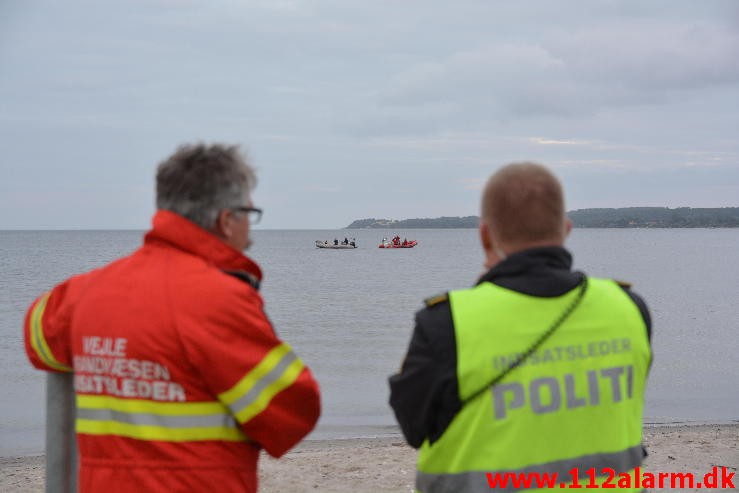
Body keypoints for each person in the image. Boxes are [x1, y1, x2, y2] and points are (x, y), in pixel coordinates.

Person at [23, 143, 321, 492]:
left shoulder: (81, 293)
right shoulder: (220, 302)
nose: (250, 231)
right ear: (226, 221)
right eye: (249, 214)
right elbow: (294, 413)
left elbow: (38, 340)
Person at [389, 162, 652, 492]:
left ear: (485, 236)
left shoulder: (447, 323)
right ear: (566, 231)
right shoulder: (629, 308)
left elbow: (414, 427)